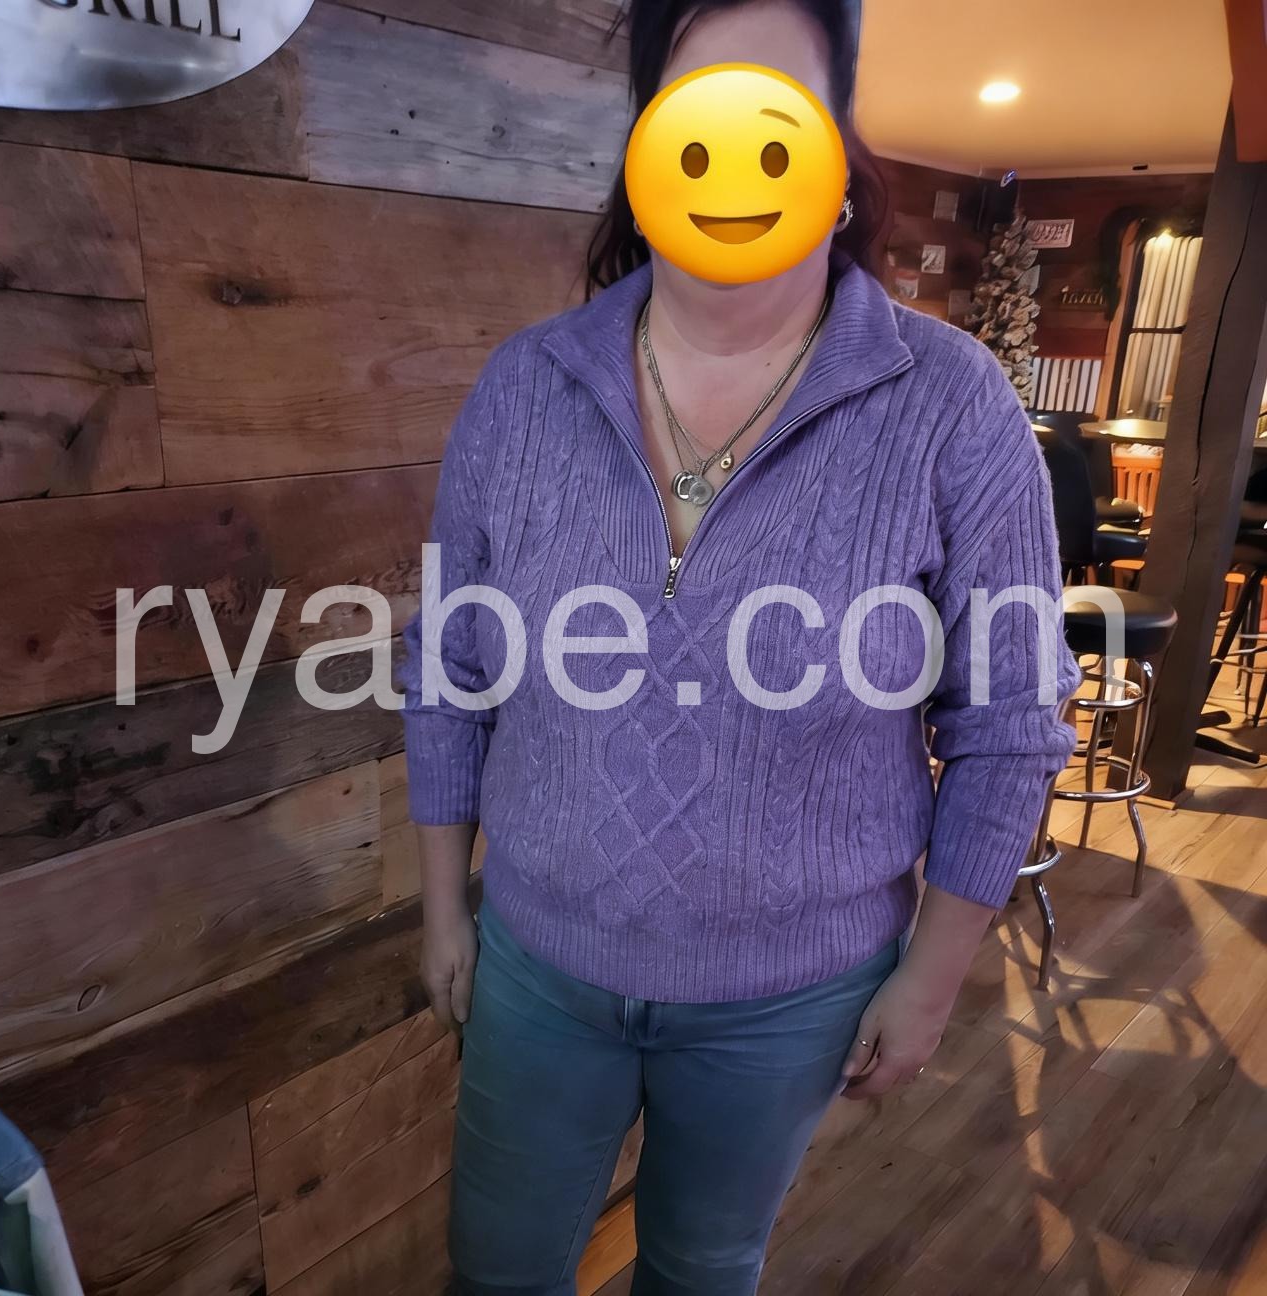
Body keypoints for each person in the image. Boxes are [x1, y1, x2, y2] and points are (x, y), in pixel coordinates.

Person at [398, 2, 1080, 1292]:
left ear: (839, 157)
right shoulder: (525, 386)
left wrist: (933, 983)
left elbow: (1010, 726)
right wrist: (444, 904)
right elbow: (450, 666)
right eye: (693, 107)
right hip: (539, 962)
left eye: (778, 108)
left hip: (791, 995)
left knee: (704, 1269)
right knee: (496, 1271)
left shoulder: (951, 407)